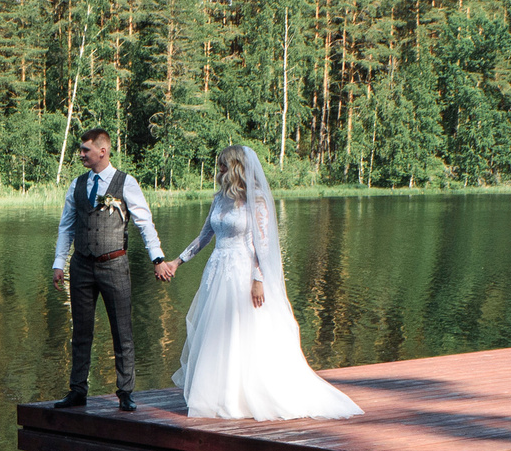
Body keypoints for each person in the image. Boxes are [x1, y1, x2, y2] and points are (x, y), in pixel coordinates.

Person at [155, 144, 362, 422]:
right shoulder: (219, 199)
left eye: (223, 166)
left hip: (243, 272)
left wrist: (258, 279)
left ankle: (243, 396)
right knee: (217, 333)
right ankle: (218, 396)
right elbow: (204, 237)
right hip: (217, 272)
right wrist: (177, 262)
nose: (219, 171)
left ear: (237, 168)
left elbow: (263, 244)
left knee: (245, 333)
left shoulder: (258, 200)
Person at [50, 127, 167, 412]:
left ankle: (125, 392)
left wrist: (157, 258)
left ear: (102, 151)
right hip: (81, 266)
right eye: (80, 150)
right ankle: (78, 390)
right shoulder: (76, 185)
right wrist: (58, 263)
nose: (81, 155)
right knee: (81, 332)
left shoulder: (126, 183)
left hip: (114, 265)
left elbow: (144, 223)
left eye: (85, 150)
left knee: (122, 331)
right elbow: (66, 227)